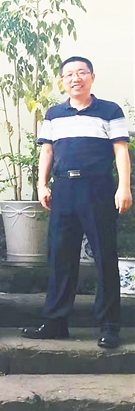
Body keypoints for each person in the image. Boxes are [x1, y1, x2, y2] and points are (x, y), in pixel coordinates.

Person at [22, 56, 131, 349]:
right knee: (60, 257)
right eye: (69, 74)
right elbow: (47, 151)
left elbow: (121, 150)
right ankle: (55, 322)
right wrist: (41, 184)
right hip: (63, 189)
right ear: (62, 81)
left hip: (97, 187)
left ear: (92, 77)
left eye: (81, 72)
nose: (75, 78)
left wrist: (123, 187)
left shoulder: (110, 110)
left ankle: (109, 326)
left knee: (104, 257)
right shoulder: (54, 114)